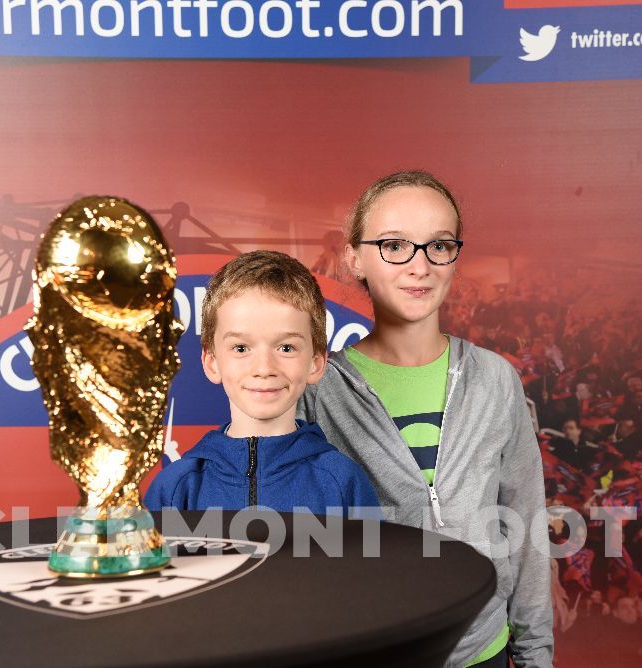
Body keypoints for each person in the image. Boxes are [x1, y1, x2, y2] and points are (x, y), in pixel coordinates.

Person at [299, 171, 553, 667]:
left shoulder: (495, 379)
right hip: (373, 651)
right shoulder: (320, 391)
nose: (420, 266)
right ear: (355, 259)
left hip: (485, 652)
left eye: (438, 245)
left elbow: (526, 523)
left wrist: (536, 653)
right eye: (394, 245)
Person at [145, 250, 379, 514]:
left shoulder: (344, 483)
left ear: (316, 362)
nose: (264, 368)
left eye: (286, 348)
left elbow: (370, 555)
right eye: (242, 348)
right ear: (212, 362)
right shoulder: (176, 488)